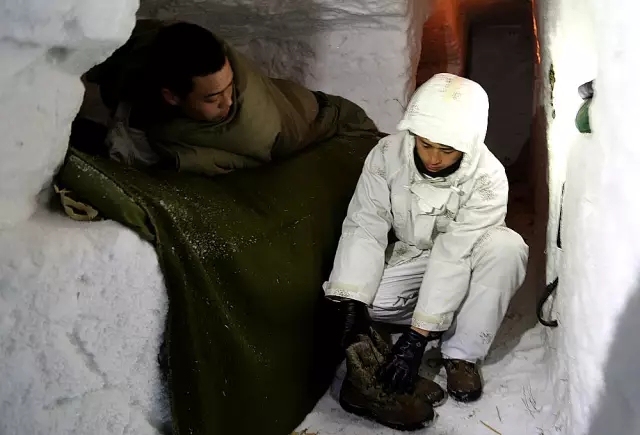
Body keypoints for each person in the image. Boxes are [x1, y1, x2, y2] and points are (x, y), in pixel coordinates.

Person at [326, 73, 528, 404]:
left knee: (507, 249)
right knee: (372, 302)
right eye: (425, 144)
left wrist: (416, 338)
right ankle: (450, 314)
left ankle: (461, 353)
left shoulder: (488, 177)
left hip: (468, 255)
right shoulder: (387, 154)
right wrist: (351, 299)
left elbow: (453, 255)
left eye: (447, 150)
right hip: (414, 254)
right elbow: (365, 223)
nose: (433, 159)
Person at [85, 20, 378, 175]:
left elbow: (198, 161)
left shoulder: (252, 133)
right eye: (213, 98)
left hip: (335, 126)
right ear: (171, 96)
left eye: (230, 87)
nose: (228, 102)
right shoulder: (155, 47)